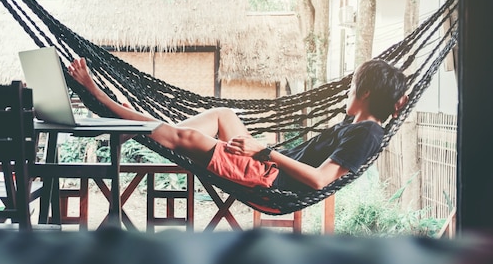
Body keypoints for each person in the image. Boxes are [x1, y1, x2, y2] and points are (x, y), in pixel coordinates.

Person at [68, 58, 408, 191]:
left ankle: (100, 98)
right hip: (267, 163)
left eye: (351, 88)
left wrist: (266, 151)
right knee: (223, 114)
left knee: (182, 135)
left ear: (363, 93)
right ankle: (143, 128)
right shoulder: (359, 124)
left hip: (270, 177)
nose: (345, 93)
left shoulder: (367, 133)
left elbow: (320, 180)